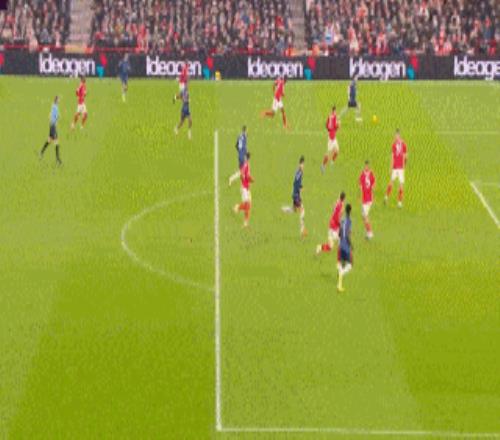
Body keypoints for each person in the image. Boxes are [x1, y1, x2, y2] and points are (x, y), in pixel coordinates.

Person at [282, 156, 307, 238]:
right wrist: (299, 189)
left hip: (295, 194)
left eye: (303, 165)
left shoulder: (298, 171)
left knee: (294, 210)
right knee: (302, 211)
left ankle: (284, 209)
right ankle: (302, 231)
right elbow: (296, 183)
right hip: (296, 195)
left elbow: (296, 182)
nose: (303, 166)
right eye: (302, 164)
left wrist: (300, 187)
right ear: (300, 164)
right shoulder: (299, 173)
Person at [385, 129, 407, 208]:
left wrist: (404, 165)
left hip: (400, 168)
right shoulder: (394, 145)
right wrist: (391, 167)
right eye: (395, 135)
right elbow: (392, 157)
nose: (396, 137)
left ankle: (399, 202)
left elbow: (405, 156)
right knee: (391, 182)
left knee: (401, 185)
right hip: (395, 167)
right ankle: (386, 197)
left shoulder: (403, 144)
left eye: (397, 135)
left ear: (399, 136)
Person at [233, 152, 254, 228]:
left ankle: (238, 208)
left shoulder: (246, 165)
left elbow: (244, 175)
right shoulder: (245, 165)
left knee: (249, 205)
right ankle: (245, 221)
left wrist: (248, 179)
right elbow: (243, 175)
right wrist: (250, 179)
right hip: (244, 188)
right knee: (247, 204)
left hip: (247, 188)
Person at [40, 96, 62, 166]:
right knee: (56, 142)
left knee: (49, 140)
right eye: (58, 99)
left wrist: (53, 119)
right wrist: (56, 119)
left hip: (52, 126)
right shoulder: (55, 107)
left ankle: (41, 152)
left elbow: (50, 115)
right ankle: (58, 160)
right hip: (53, 126)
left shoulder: (53, 106)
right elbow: (55, 116)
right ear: (56, 100)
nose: (59, 101)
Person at [337, 204, 353, 292]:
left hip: (340, 244)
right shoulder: (349, 221)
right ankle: (341, 274)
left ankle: (339, 283)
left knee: (342, 262)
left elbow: (339, 232)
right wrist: (351, 244)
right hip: (346, 245)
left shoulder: (342, 219)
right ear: (350, 211)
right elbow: (347, 234)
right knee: (350, 265)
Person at [321, 106, 340, 174]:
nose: (335, 112)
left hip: (333, 137)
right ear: (333, 111)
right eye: (335, 111)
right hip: (331, 139)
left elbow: (326, 126)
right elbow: (337, 127)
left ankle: (332, 162)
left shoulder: (330, 116)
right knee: (328, 154)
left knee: (337, 151)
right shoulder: (334, 118)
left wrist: (333, 128)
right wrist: (338, 124)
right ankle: (323, 165)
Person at [359, 160, 375, 239]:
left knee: (365, 216)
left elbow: (372, 186)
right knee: (364, 216)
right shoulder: (363, 175)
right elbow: (372, 185)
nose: (366, 167)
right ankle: (368, 232)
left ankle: (370, 233)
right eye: (366, 166)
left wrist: (370, 193)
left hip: (367, 199)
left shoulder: (365, 175)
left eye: (367, 166)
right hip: (365, 199)